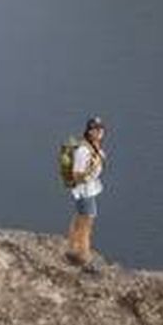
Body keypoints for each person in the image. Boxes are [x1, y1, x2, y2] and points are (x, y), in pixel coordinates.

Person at [65, 116, 107, 273]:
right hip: (85, 192)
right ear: (89, 131)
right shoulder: (83, 150)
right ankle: (85, 258)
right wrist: (88, 177)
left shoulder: (94, 148)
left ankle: (72, 249)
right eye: (95, 129)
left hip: (89, 189)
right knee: (86, 224)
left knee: (79, 219)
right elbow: (77, 174)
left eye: (101, 129)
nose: (99, 132)